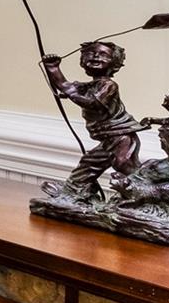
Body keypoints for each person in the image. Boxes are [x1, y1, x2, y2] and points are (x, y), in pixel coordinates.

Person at [41, 41, 145, 195]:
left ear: (114, 63)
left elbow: (93, 103)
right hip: (108, 138)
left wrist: (72, 94)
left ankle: (147, 192)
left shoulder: (108, 85)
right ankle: (72, 191)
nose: (96, 57)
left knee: (123, 164)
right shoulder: (89, 86)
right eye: (90, 53)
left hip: (121, 136)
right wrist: (53, 68)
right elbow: (65, 86)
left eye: (103, 54)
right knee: (89, 163)